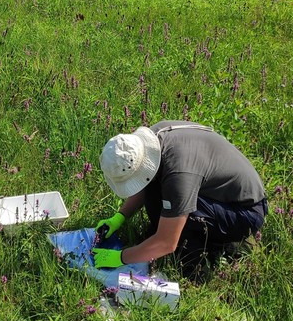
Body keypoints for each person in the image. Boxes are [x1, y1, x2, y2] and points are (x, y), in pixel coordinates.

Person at [90, 120, 267, 280]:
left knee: (176, 228)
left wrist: (121, 257)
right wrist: (119, 217)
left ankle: (208, 254)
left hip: (244, 211)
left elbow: (167, 242)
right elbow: (144, 182)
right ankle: (169, 234)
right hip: (217, 192)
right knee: (158, 193)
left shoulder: (178, 175)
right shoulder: (150, 144)